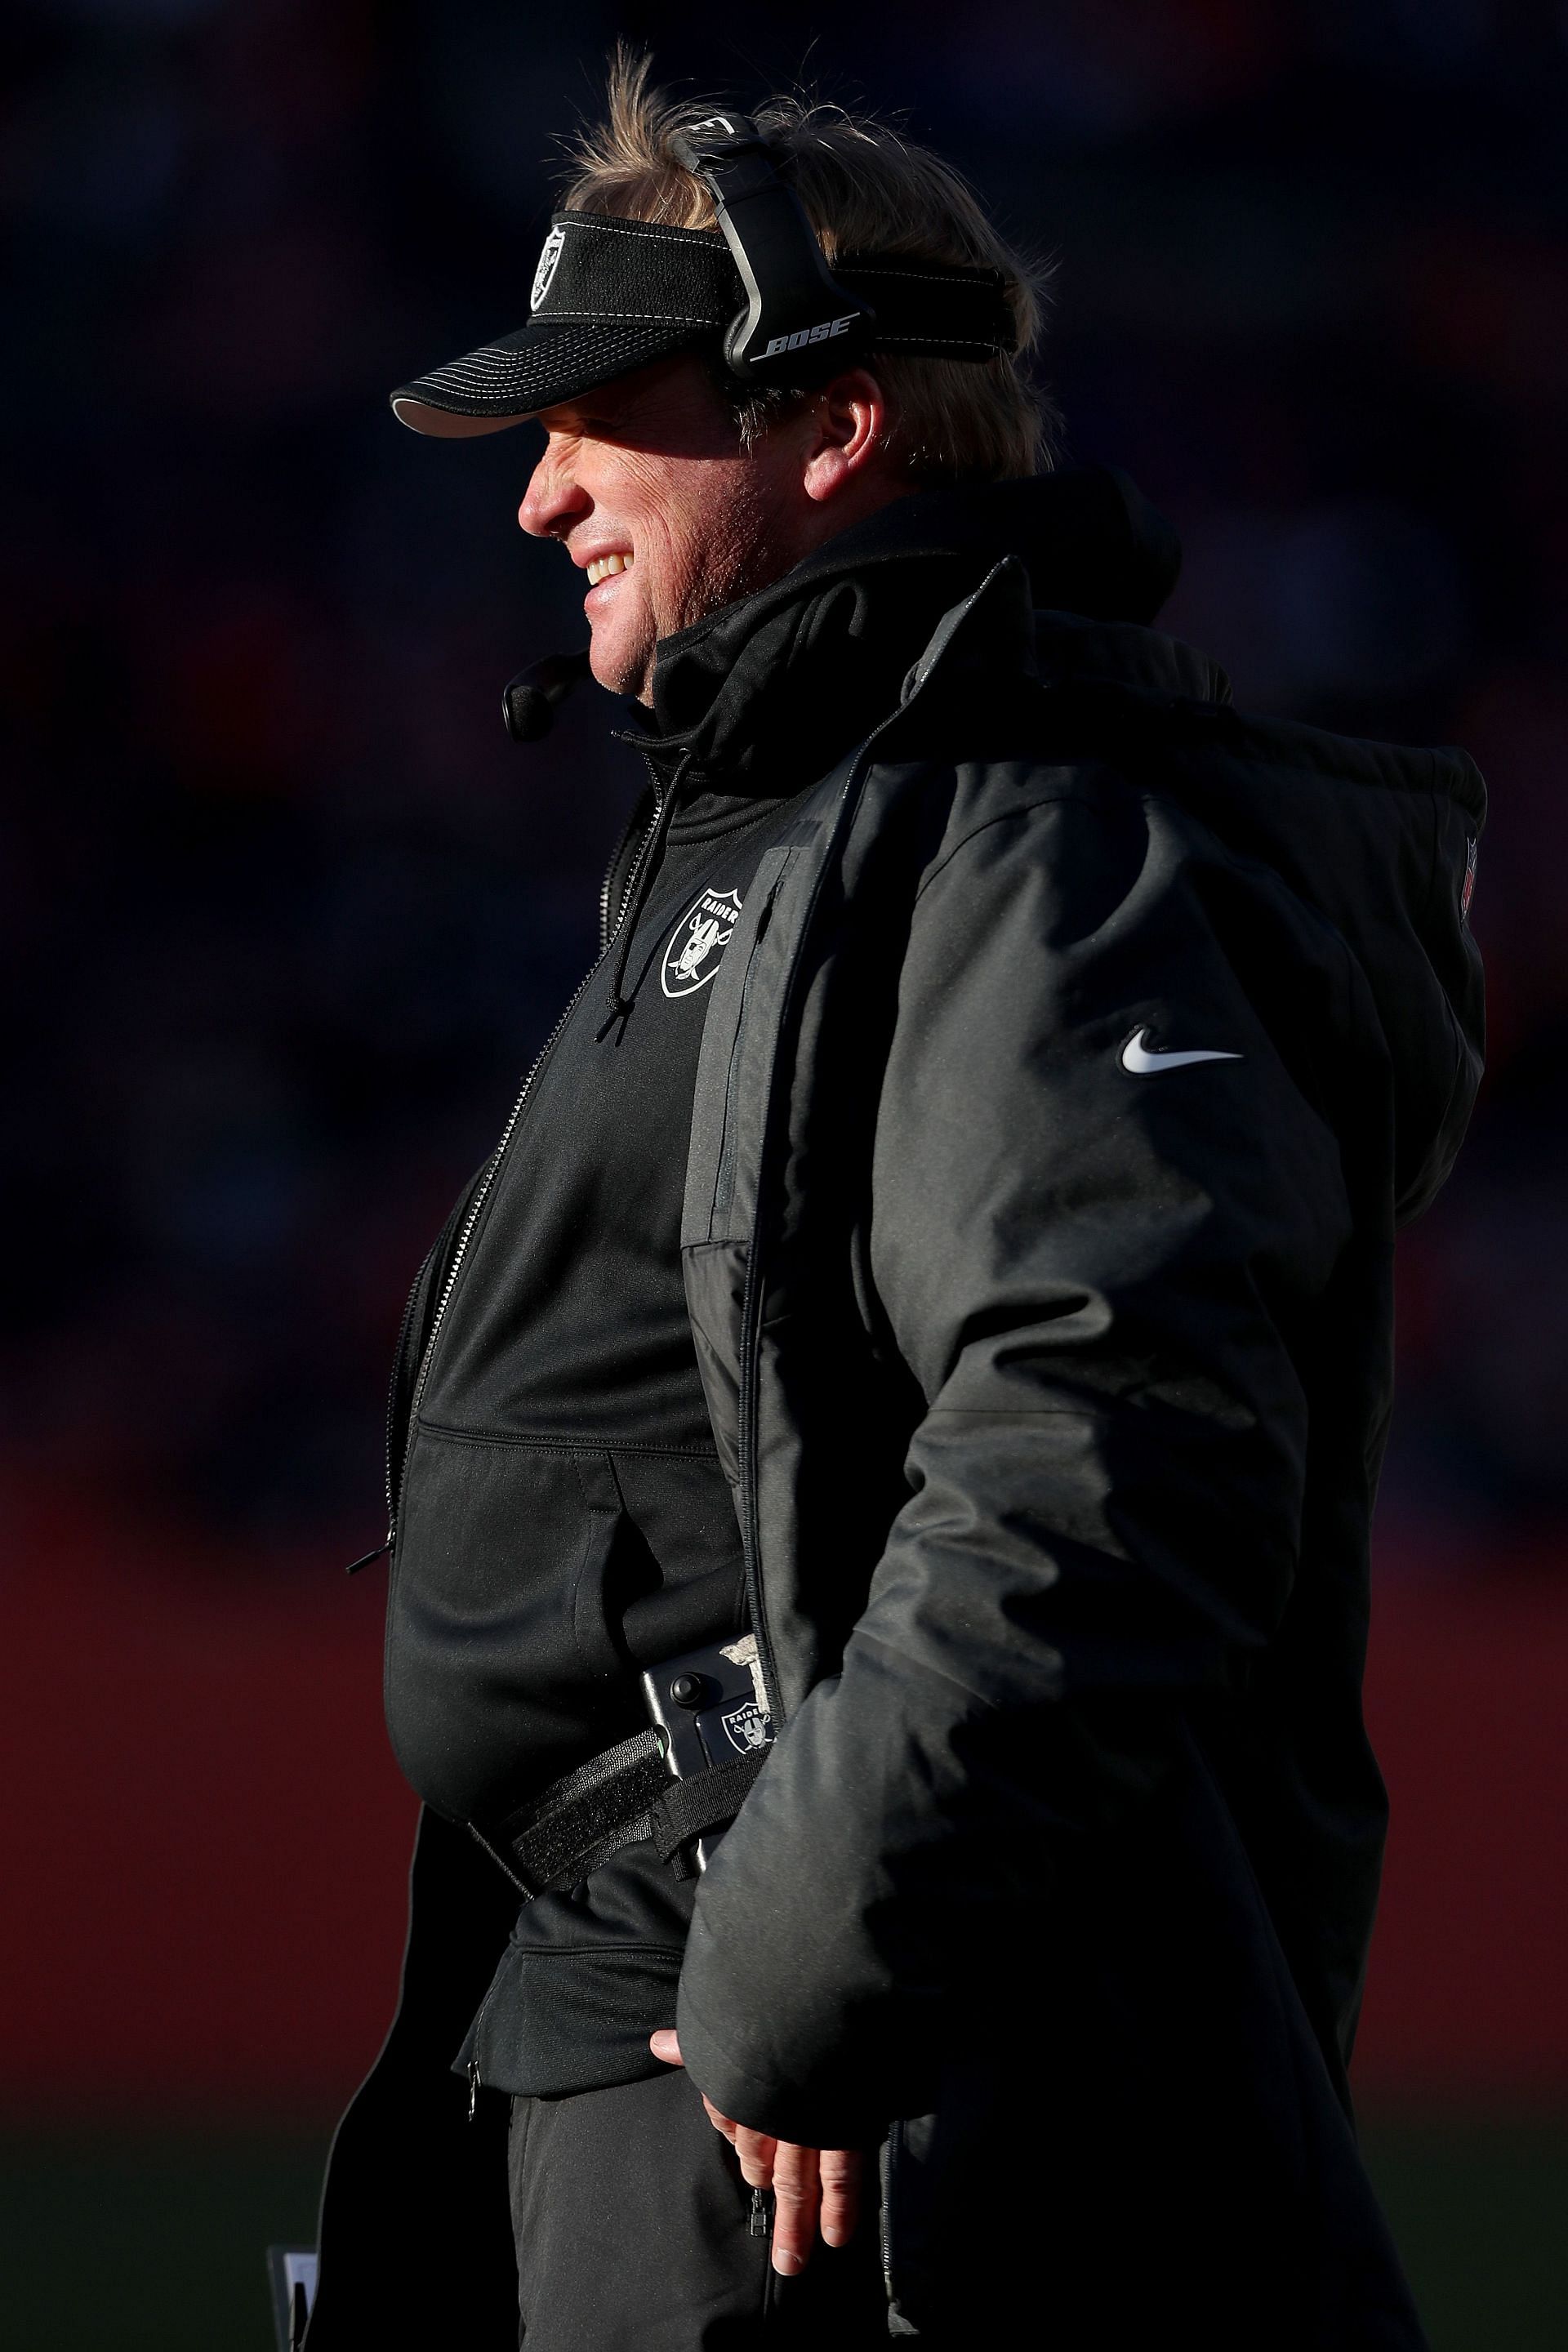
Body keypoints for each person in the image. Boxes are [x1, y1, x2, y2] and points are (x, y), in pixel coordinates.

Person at [301, 54, 1484, 2352]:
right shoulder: (794, 825)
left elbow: (1104, 1460)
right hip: (655, 2029)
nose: (537, 493)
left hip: (818, 2114)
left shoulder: (1025, 838)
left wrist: (806, 1967)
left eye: (598, 415)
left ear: (829, 430)